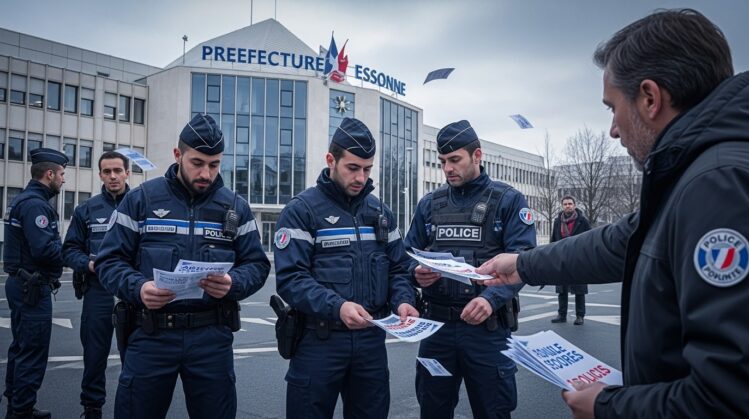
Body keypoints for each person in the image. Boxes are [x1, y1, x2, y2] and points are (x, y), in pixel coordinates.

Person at [476, 9, 749, 418]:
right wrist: (523, 264)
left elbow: (734, 399)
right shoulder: (697, 173)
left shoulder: (721, 186)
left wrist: (609, 407)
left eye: (612, 107)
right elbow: (619, 242)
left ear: (650, 98)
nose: (613, 129)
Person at [95, 113, 271, 419]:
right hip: (151, 335)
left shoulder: (235, 207)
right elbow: (109, 261)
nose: (207, 173)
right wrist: (139, 288)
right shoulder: (141, 200)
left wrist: (234, 283)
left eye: (214, 164)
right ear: (178, 155)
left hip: (211, 337)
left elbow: (256, 264)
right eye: (198, 163)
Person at [274, 117, 418, 419]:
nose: (361, 177)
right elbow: (292, 279)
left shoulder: (380, 212)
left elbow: (400, 269)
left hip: (370, 344)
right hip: (318, 342)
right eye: (353, 168)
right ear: (331, 160)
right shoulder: (302, 211)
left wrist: (404, 300)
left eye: (367, 169)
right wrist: (337, 307)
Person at [403, 120, 536, 419]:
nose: (448, 168)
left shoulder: (508, 200)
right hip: (437, 329)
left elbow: (523, 259)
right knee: (433, 409)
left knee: (493, 411)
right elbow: (407, 256)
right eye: (442, 162)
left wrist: (490, 300)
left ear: (477, 156)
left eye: (455, 160)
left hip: (487, 331)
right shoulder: (429, 204)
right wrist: (415, 273)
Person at [62, 151, 131, 419]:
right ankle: (92, 408)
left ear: (127, 172)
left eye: (117, 170)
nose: (112, 176)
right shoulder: (86, 210)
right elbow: (69, 251)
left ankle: (132, 407)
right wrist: (88, 264)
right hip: (98, 292)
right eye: (106, 171)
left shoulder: (141, 205)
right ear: (100, 175)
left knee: (135, 356)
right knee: (94, 355)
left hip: (132, 294)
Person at [3, 148, 68, 419]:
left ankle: (18, 404)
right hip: (32, 288)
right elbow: (44, 250)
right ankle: (21, 411)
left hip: (24, 285)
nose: (64, 180)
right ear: (49, 174)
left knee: (21, 347)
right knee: (32, 352)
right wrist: (69, 252)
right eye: (62, 174)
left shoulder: (27, 200)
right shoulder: (36, 205)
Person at [549, 195, 591, 325]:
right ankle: (562, 315)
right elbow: (554, 240)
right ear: (562, 206)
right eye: (565, 204)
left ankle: (580, 316)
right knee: (562, 289)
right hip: (561, 259)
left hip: (578, 259)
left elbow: (589, 239)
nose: (568, 206)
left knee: (579, 290)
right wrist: (551, 255)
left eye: (570, 204)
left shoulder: (582, 221)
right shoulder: (557, 221)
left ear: (575, 205)